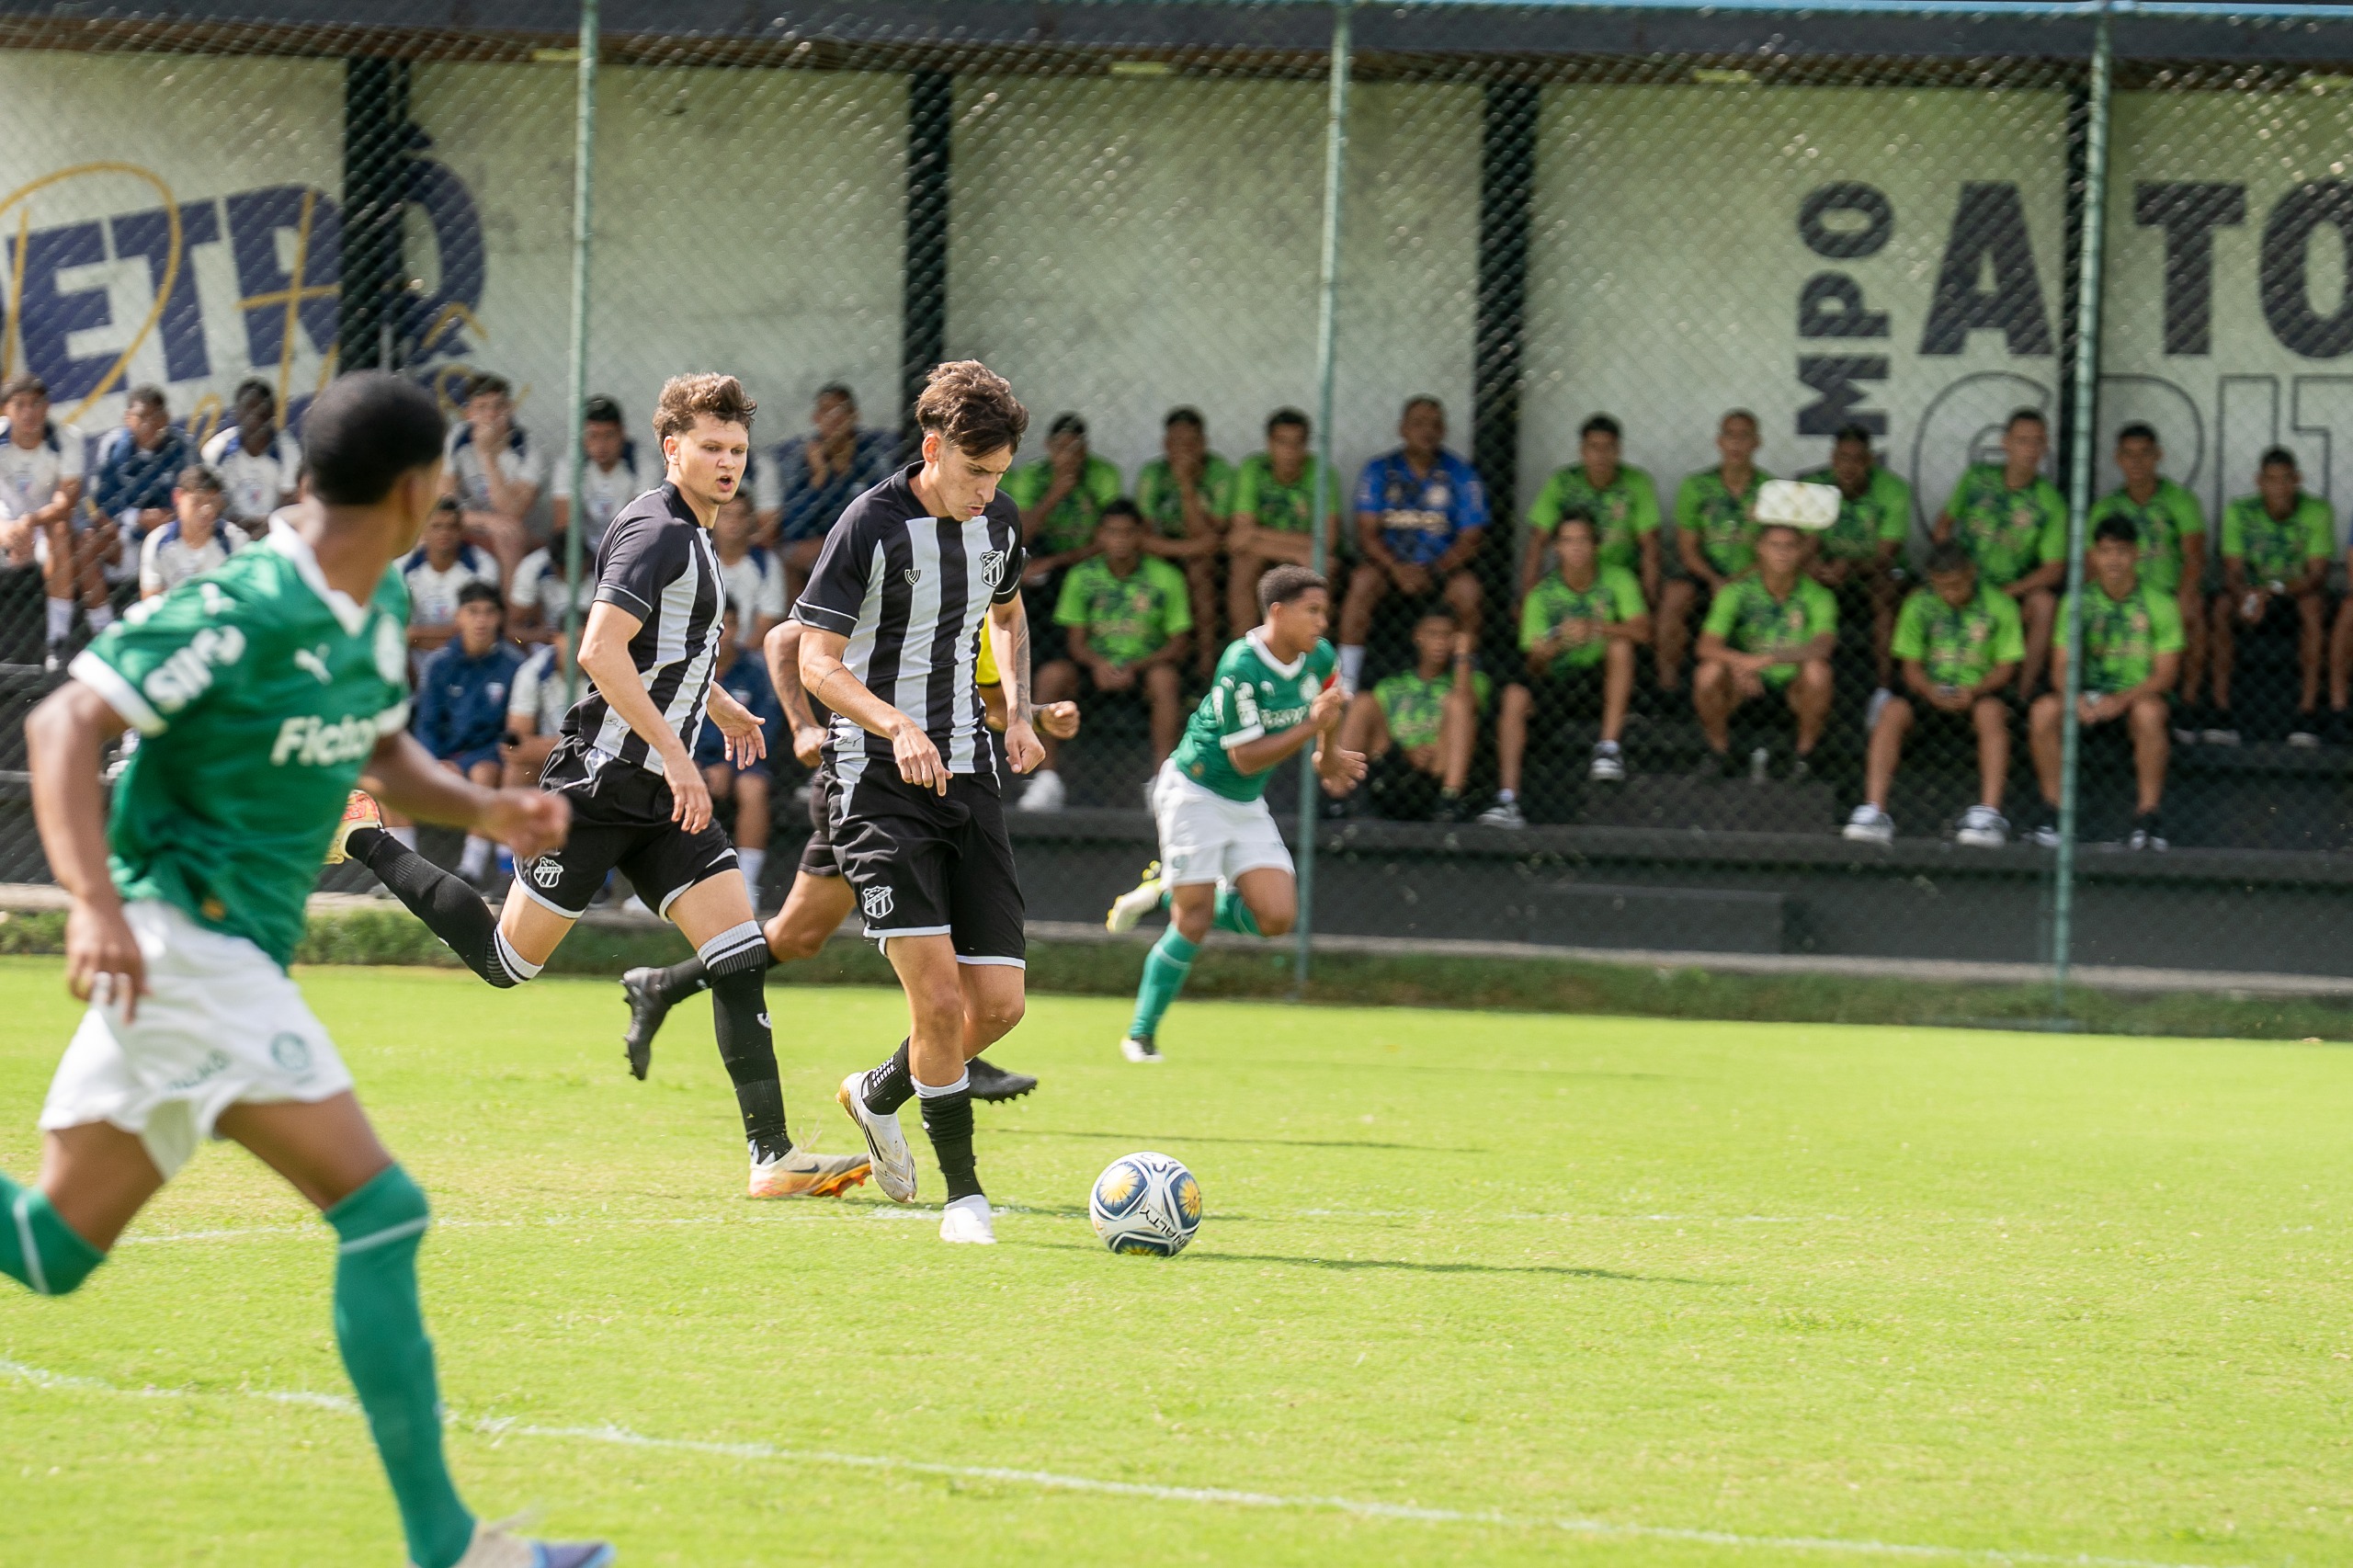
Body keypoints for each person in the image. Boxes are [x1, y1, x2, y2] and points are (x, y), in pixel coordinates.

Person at [9, 369, 608, 1568]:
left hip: (222, 961)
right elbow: (63, 725)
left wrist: (488, 811)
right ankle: (453, 1546)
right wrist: (92, 905)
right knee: (383, 1209)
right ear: (415, 486)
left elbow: (381, 744)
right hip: (189, 945)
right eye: (443, 477)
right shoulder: (245, 602)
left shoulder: (368, 605)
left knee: (51, 1251)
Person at [342, 372, 870, 1201]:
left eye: (737, 450)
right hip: (602, 785)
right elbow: (598, 651)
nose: (728, 463)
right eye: (711, 448)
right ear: (673, 450)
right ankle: (365, 834)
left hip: (664, 797)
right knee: (506, 961)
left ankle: (772, 1157)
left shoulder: (694, 534)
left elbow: (666, 653)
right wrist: (684, 753)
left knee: (736, 954)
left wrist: (718, 705)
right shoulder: (658, 531)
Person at [796, 359, 1048, 1246]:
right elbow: (813, 661)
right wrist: (896, 725)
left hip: (970, 777)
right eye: (976, 473)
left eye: (1001, 475)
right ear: (933, 448)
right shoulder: (869, 525)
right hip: (874, 783)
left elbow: (1009, 618)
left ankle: (877, 1092)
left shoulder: (999, 522)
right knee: (939, 1005)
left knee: (999, 1008)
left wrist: (1016, 710)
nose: (989, 492)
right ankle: (964, 1198)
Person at [618, 614, 1072, 1103]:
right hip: (871, 789)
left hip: (928, 789)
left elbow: (969, 705)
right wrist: (802, 727)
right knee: (936, 922)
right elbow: (783, 640)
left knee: (798, 937)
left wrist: (1035, 715)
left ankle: (663, 985)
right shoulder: (898, 557)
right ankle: (947, 1057)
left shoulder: (979, 593)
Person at [1104, 565, 1364, 1062]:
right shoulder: (1241, 663)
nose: (1322, 622)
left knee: (1277, 918)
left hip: (1245, 802)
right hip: (1194, 792)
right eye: (1312, 611)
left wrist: (1328, 755)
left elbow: (1331, 704)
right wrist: (1313, 730)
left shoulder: (1320, 656)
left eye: (1325, 611)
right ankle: (1140, 1034)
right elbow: (1246, 756)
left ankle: (1168, 891)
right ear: (1278, 613)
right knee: (1195, 919)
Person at [1843, 541, 2022, 847]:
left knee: (1991, 713)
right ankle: (1874, 812)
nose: (1949, 594)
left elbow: (2006, 668)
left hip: (1977, 691)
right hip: (1930, 690)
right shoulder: (1918, 603)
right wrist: (1928, 690)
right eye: (1941, 587)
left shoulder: (2000, 605)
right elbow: (1910, 666)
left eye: (1956, 586)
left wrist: (1974, 690)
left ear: (1971, 573)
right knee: (1892, 711)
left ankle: (1990, 815)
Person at [1480, 509, 1649, 827]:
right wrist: (1555, 644)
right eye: (1567, 541)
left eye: (1583, 540)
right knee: (1515, 695)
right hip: (1557, 680)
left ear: (1597, 545)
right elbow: (1532, 663)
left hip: (1603, 679)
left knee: (1621, 646)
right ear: (1555, 548)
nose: (1576, 548)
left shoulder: (1618, 578)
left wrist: (1596, 628)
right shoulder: (1541, 595)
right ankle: (1508, 800)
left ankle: (1608, 749)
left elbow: (1642, 631)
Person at [2027, 515, 2182, 850]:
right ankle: (2056, 814)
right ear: (2093, 556)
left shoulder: (2160, 602)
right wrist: (2074, 698)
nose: (2114, 560)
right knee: (2043, 711)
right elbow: (2061, 666)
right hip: (2086, 696)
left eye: (2122, 551)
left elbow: (2166, 675)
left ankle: (2148, 818)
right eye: (2106, 552)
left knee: (2149, 713)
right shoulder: (2076, 601)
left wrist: (2122, 700)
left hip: (2137, 695)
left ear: (2137, 555)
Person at [1031, 499, 1194, 811]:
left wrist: (1136, 665)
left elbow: (1178, 644)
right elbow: (1076, 641)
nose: (1120, 540)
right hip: (1093, 669)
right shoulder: (1082, 575)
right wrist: (1098, 664)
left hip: (1144, 668)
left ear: (1141, 535)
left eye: (1128, 533)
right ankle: (1046, 779)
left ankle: (1161, 781)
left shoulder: (1166, 576)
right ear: (1100, 536)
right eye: (1112, 532)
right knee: (1051, 676)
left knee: (1165, 679)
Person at [1338, 396, 1488, 692]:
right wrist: (1396, 568)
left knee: (1469, 591)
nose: (1427, 431)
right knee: (1361, 581)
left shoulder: (1461, 473)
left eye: (1435, 424)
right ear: (1402, 429)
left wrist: (1432, 570)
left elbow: (1472, 538)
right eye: (1418, 423)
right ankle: (1345, 684)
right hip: (1388, 567)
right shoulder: (1379, 470)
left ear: (1444, 430)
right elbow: (1366, 532)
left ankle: (1465, 679)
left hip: (1441, 569)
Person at [2086, 423, 2207, 737]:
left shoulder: (2180, 500)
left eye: (2144, 454)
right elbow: (2090, 564)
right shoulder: (2106, 506)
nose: (2136, 462)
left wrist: (2184, 597)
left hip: (2165, 594)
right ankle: (2097, 697)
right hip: (2118, 595)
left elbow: (2194, 556)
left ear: (2158, 456)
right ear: (2118, 459)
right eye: (2128, 455)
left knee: (2195, 614)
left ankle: (2189, 707)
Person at [1933, 407, 2064, 695]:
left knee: (2044, 604)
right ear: (2005, 443)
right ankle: (1934, 689)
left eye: (2037, 442)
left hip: (2010, 592)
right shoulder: (1977, 478)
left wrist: (2010, 591)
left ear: (2046, 446)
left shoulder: (2050, 501)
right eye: (2022, 441)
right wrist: (1952, 572)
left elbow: (2054, 568)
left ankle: (2022, 697)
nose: (2030, 450)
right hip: (1963, 581)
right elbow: (1943, 527)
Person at [1692, 522, 1838, 777]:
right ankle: (1718, 752)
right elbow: (1706, 645)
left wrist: (1767, 660)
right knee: (1707, 673)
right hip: (1742, 684)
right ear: (1759, 548)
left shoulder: (1819, 595)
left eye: (1790, 546)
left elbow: (1823, 646)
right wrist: (1742, 662)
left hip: (1794, 683)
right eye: (1775, 546)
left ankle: (1803, 757)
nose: (1782, 553)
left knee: (1818, 671)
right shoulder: (1736, 591)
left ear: (1802, 550)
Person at [2211, 446, 2332, 746]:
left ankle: (2306, 714)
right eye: (2271, 479)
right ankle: (2220, 711)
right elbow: (2233, 572)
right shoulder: (2239, 511)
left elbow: (2316, 575)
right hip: (2252, 597)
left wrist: (2273, 590)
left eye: (2285, 479)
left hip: (2293, 596)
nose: (2278, 487)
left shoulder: (2317, 511)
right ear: (2259, 481)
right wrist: (2248, 597)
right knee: (2221, 607)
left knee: (2313, 608)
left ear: (2297, 480)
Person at [415, 582, 528, 889]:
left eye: (490, 612)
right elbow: (426, 721)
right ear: (458, 617)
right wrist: (434, 761)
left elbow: (511, 729)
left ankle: (470, 870)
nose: (481, 620)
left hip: (488, 757)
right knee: (392, 776)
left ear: (500, 619)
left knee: (484, 773)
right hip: (446, 756)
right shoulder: (439, 663)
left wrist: (483, 757)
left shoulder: (514, 665)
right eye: (473, 612)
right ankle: (403, 873)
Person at [1799, 422, 1914, 712]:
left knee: (1885, 595)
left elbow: (1886, 554)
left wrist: (1848, 566)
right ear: (1832, 459)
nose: (1849, 467)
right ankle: (1800, 678)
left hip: (1874, 572)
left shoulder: (1893, 489)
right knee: (1794, 585)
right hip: (1829, 570)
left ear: (1869, 461)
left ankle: (1884, 689)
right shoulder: (1815, 485)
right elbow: (1808, 544)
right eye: (1842, 458)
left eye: (1857, 459)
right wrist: (1813, 565)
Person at [1662, 410, 1772, 694]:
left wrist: (1739, 580)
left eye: (1744, 436)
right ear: (1719, 442)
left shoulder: (1770, 489)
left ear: (1757, 442)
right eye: (1729, 435)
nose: (1736, 443)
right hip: (1705, 573)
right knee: (1675, 594)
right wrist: (1713, 579)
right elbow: (1687, 549)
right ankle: (1667, 687)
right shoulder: (1695, 486)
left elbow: (1775, 548)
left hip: (1754, 574)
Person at [756, 381, 897, 602]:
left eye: (840, 411)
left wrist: (836, 539)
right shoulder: (799, 459)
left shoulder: (872, 457)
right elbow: (792, 526)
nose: (833, 418)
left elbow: (883, 511)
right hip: (811, 546)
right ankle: (798, 625)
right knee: (786, 558)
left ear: (855, 416)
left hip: (861, 542)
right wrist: (818, 479)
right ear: (815, 418)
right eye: (825, 411)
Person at [1344, 609, 1485, 822]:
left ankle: (1450, 801)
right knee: (1363, 701)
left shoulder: (1471, 683)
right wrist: (1406, 752)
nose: (1439, 642)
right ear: (1417, 636)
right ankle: (1340, 797)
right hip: (1392, 769)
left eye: (1446, 636)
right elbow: (1380, 739)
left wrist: (1463, 656)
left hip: (1437, 770)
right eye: (1432, 634)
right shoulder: (1391, 686)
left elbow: (1468, 708)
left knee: (1458, 705)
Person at [1226, 407, 1345, 646]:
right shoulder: (1253, 468)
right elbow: (1238, 538)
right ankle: (1247, 653)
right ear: (1269, 444)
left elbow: (1328, 541)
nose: (1290, 452)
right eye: (1282, 443)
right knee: (1243, 564)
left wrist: (1258, 534)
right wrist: (1295, 549)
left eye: (1298, 443)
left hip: (1285, 551)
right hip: (1271, 554)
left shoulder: (1322, 472)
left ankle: (1311, 651)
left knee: (1321, 565)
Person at [1520, 414, 1663, 608]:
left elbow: (1650, 546)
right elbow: (1538, 541)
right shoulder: (1562, 482)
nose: (1601, 455)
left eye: (1609, 448)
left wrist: (1649, 600)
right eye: (1593, 447)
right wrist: (1528, 598)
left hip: (1621, 576)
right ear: (1582, 451)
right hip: (1570, 576)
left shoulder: (1637, 483)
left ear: (1618, 451)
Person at [1132, 406, 1233, 678]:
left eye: (1192, 443)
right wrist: (1191, 548)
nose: (1185, 450)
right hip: (1167, 551)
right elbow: (1140, 536)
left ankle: (1206, 663)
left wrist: (1186, 485)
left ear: (1204, 444)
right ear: (1165, 445)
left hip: (1210, 559)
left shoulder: (1219, 471)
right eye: (1177, 443)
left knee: (1199, 568)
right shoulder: (1152, 473)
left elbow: (1213, 536)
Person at [1006, 410, 1121, 644]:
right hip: (1041, 551)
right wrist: (1055, 494)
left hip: (1087, 554)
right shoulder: (1033, 475)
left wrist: (1056, 561)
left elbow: (1110, 537)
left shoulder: (1102, 475)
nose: (1069, 456)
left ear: (1085, 449)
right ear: (1048, 446)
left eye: (1076, 448)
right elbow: (1021, 536)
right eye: (1061, 448)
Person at [0, 375, 92, 669]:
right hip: (3, 527)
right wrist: (6, 531)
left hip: (45, 529)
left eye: (37, 403)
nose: (29, 412)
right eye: (20, 405)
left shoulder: (68, 439)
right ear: (5, 410)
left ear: (47, 406)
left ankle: (58, 642)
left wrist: (30, 522)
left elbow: (66, 502)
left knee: (63, 530)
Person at [698, 606, 782, 905]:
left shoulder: (756, 671)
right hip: (691, 761)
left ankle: (745, 885)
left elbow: (765, 728)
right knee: (677, 783)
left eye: (729, 625)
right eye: (715, 626)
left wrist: (728, 767)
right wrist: (689, 764)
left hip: (744, 762)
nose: (722, 634)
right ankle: (673, 882)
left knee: (754, 788)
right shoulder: (686, 667)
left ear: (738, 628)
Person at [442, 371, 548, 582]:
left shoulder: (527, 449)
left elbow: (512, 512)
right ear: (469, 413)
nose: (491, 415)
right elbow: (444, 505)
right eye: (482, 408)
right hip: (470, 524)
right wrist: (487, 521)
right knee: (431, 531)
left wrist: (486, 455)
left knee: (508, 534)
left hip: (519, 533)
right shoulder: (457, 439)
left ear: (510, 409)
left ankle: (510, 614)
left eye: (498, 406)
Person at [89, 383, 191, 600]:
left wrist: (171, 518)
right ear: (128, 418)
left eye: (156, 416)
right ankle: (100, 623)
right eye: (142, 416)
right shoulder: (113, 446)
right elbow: (102, 504)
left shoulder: (182, 446)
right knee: (89, 539)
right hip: (126, 536)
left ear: (167, 418)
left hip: (173, 533)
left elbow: (197, 494)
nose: (149, 424)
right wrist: (138, 517)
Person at [401, 495, 498, 665]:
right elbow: (398, 633)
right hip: (412, 664)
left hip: (465, 660)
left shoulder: (482, 566)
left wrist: (416, 634)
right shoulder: (402, 567)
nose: (444, 533)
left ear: (461, 530)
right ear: (424, 529)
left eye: (451, 527)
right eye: (436, 526)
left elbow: (476, 630)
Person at [200, 377, 301, 540]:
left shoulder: (287, 449)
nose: (255, 415)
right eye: (248, 408)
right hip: (229, 531)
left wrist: (265, 528)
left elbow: (289, 502)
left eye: (262, 408)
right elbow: (210, 502)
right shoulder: (217, 450)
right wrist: (240, 528)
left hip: (274, 530)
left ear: (273, 412)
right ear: (237, 413)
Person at [550, 392, 643, 553]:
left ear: (622, 434)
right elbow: (563, 525)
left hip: (626, 549)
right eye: (593, 435)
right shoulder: (569, 464)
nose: (601, 445)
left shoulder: (640, 463)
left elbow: (639, 524)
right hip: (581, 552)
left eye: (609, 435)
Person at [139, 464, 239, 599]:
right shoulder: (157, 542)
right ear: (177, 497)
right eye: (197, 501)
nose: (206, 511)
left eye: (212, 502)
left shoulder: (234, 539)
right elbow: (150, 603)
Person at [503, 626, 574, 789]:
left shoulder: (606, 669)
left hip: (593, 759)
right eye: (573, 640)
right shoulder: (532, 671)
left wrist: (540, 747)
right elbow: (516, 744)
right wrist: (564, 748)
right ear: (556, 638)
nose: (578, 647)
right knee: (517, 770)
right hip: (548, 759)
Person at [712, 492, 785, 648]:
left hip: (747, 657)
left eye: (741, 515)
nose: (734, 522)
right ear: (713, 520)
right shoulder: (699, 560)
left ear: (750, 521)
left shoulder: (766, 562)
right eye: (726, 515)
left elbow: (768, 619)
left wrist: (737, 660)